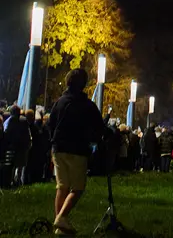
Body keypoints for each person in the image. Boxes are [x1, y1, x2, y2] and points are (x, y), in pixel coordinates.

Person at [47, 69, 105, 235]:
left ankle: (60, 225)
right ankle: (61, 218)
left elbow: (51, 124)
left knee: (62, 186)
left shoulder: (59, 102)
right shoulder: (87, 105)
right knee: (77, 188)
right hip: (77, 149)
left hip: (58, 148)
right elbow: (98, 126)